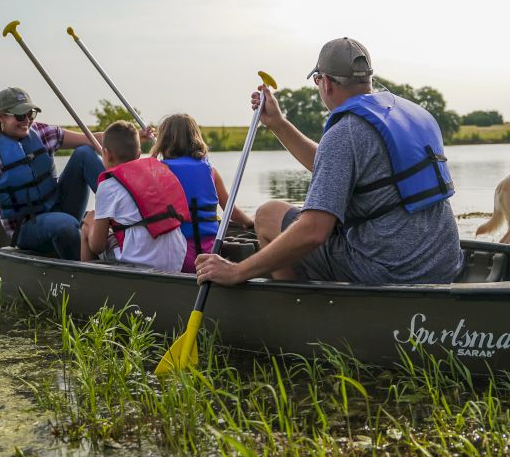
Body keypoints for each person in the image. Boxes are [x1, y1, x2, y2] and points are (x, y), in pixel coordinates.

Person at [195, 37, 464, 287]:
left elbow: (314, 232)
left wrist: (235, 272)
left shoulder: (345, 131)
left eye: (316, 81)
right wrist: (277, 124)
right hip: (445, 260)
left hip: (392, 270)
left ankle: (296, 312)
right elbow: (335, 168)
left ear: (326, 82)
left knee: (267, 216)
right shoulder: (404, 114)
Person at [0, 87, 106, 260]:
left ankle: (124, 218)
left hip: (59, 207)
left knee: (84, 152)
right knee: (65, 224)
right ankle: (84, 270)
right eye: (19, 116)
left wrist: (136, 136)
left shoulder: (41, 133)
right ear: (0, 116)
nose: (26, 120)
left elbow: (92, 139)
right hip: (27, 227)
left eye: (30, 114)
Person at [149, 113, 254, 273]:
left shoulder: (159, 172)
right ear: (196, 138)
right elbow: (231, 211)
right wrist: (249, 223)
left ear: (163, 141)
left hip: (175, 255)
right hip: (210, 253)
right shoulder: (210, 171)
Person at [81, 121, 189, 271]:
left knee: (88, 223)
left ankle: (88, 284)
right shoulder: (156, 175)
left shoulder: (107, 186)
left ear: (106, 153)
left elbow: (97, 246)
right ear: (138, 154)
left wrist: (90, 224)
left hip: (139, 265)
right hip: (176, 260)